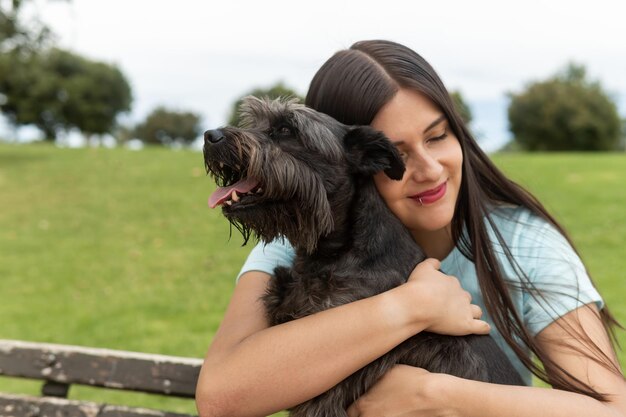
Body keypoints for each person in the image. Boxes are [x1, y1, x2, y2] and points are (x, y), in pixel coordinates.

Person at [195, 40, 626, 417]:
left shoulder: (521, 244)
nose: (430, 169)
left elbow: (614, 409)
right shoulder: (297, 244)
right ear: (350, 165)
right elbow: (221, 397)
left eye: (437, 137)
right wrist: (412, 306)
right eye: (397, 154)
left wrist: (437, 395)